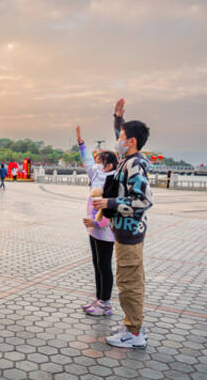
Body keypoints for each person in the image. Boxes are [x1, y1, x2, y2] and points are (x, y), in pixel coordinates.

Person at [93, 98, 153, 349]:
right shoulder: (128, 159)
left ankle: (134, 332)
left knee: (129, 282)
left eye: (123, 135)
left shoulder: (135, 164)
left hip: (130, 233)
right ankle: (132, 323)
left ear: (132, 142)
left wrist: (109, 203)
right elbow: (121, 133)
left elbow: (143, 200)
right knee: (128, 279)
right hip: (125, 232)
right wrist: (118, 118)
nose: (118, 138)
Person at [76, 126, 117, 317]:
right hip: (93, 229)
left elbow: (110, 209)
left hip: (105, 231)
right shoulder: (96, 174)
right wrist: (81, 143)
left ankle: (105, 303)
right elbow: (86, 162)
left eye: (101, 161)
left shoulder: (114, 181)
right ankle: (99, 298)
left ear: (109, 165)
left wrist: (97, 223)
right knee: (96, 264)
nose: (97, 163)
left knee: (104, 265)